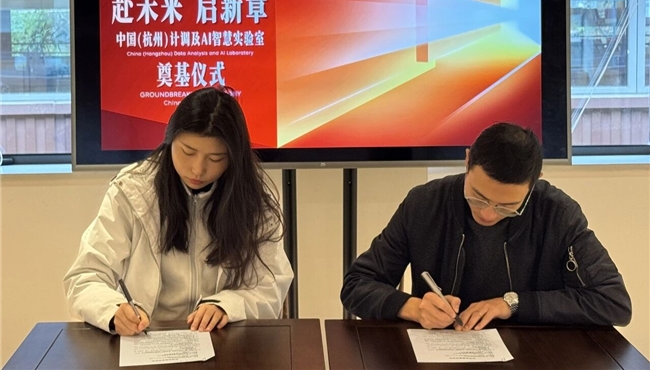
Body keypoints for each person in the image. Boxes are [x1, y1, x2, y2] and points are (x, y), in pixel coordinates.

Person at [341, 122, 631, 330]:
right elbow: (357, 284)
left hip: (533, 355)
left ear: (535, 182)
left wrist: (513, 304)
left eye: (507, 206)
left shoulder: (556, 213)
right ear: (467, 161)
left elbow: (613, 301)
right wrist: (413, 308)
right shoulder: (425, 203)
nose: (489, 214)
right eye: (478, 197)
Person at [64, 86, 293, 336]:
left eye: (215, 158)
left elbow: (271, 286)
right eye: (188, 152)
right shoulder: (132, 192)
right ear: (170, 140)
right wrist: (113, 309)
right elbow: (86, 275)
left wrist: (227, 306)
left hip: (221, 338)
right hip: (146, 337)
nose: (197, 169)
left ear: (234, 158)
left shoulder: (252, 201)